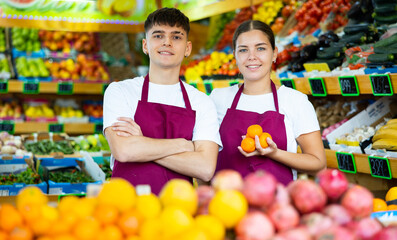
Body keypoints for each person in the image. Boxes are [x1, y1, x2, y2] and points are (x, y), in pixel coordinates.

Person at [103, 8, 221, 194]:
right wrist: (183, 144)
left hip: (178, 213)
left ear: (187, 48)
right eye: (158, 36)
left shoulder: (201, 102)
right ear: (145, 45)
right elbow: (124, 151)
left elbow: (205, 169)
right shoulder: (120, 91)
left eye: (176, 37)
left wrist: (141, 144)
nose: (167, 42)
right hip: (127, 209)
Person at [210, 20, 326, 185]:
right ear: (235, 56)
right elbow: (205, 161)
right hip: (227, 205)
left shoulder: (295, 101)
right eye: (243, 50)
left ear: (274, 53)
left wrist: (275, 153)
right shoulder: (217, 98)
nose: (252, 57)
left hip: (276, 206)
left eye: (261, 48)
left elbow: (318, 164)